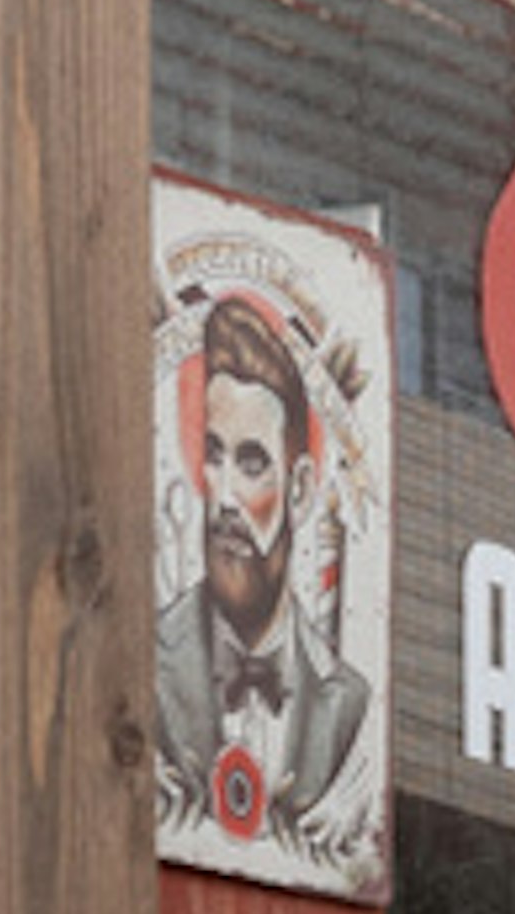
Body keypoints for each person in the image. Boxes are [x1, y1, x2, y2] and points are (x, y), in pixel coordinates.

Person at [156, 287, 372, 856]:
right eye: (213, 455)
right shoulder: (148, 658)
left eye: (251, 464)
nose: (224, 496)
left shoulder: (347, 703)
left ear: (299, 489)